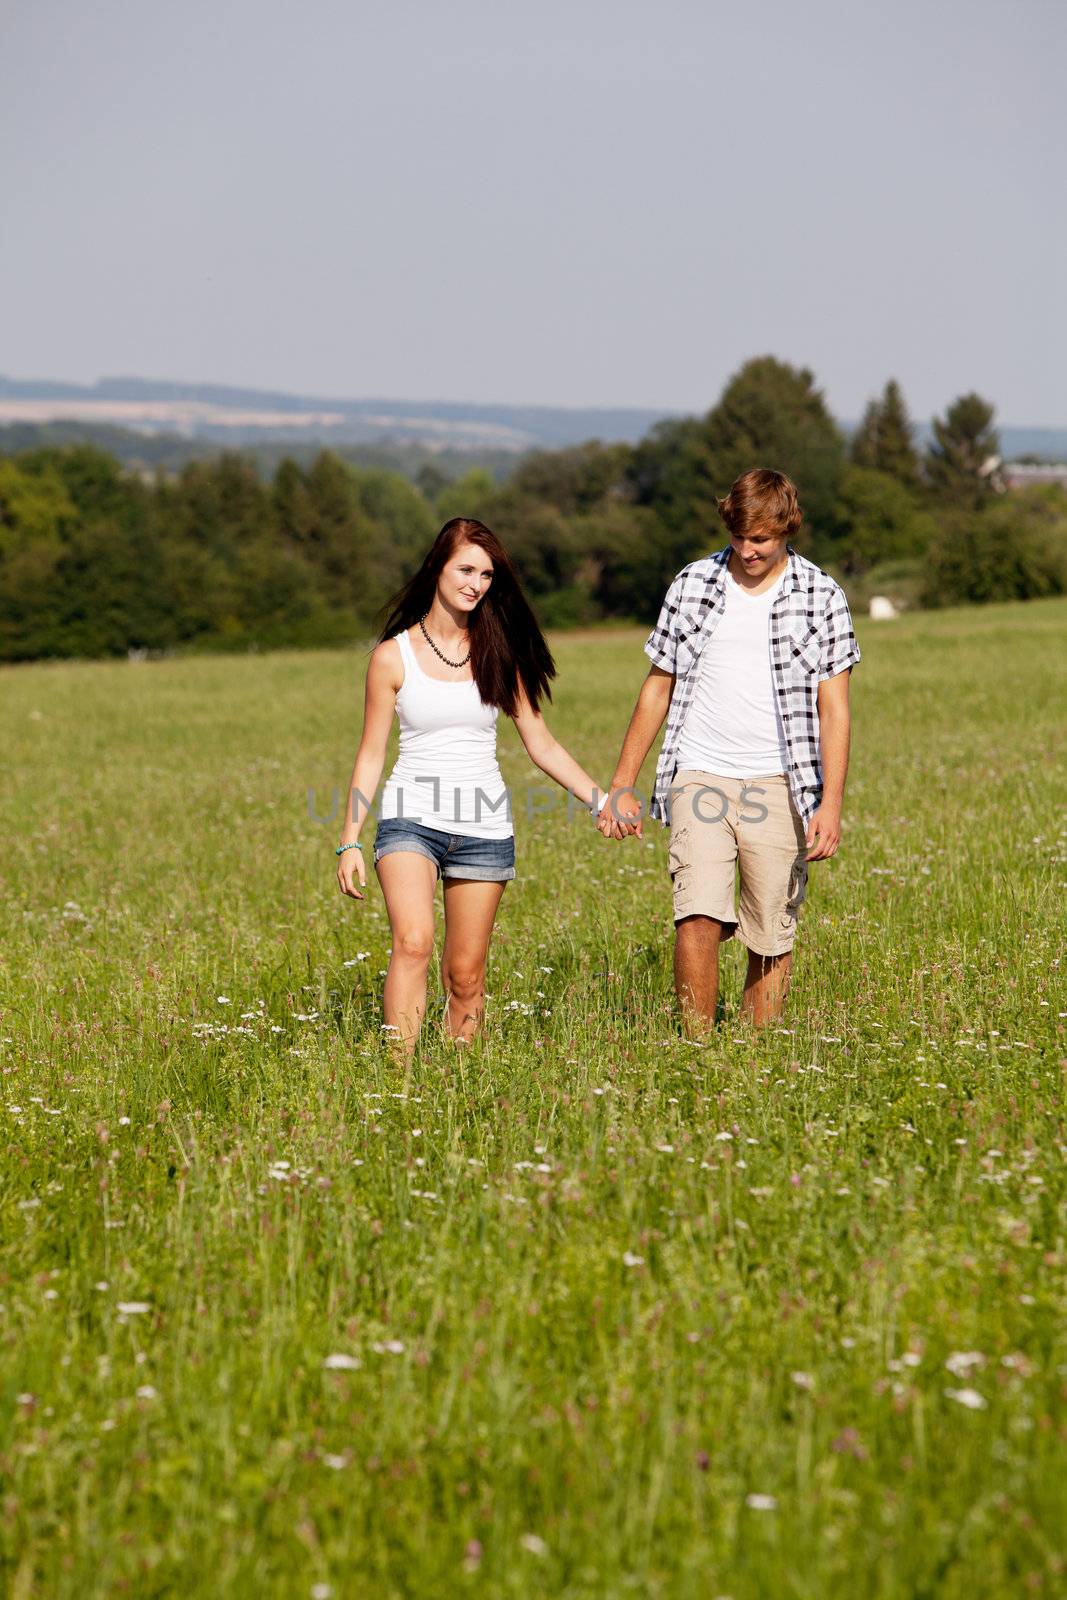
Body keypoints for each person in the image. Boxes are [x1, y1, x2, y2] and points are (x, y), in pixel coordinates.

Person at [599, 468, 860, 1031]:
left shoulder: (821, 596)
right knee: (696, 913)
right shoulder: (693, 583)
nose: (747, 550)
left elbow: (834, 708)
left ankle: (754, 1053)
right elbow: (657, 686)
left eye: (760, 540)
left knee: (769, 928)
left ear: (787, 529)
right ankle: (696, 1047)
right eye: (739, 537)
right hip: (699, 772)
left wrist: (830, 804)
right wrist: (623, 782)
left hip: (781, 782)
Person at [336, 517, 609, 1053]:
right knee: (413, 943)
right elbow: (371, 753)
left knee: (465, 977)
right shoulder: (392, 657)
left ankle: (461, 1084)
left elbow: (542, 744)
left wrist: (603, 800)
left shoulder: (499, 653)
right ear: (438, 564)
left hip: (484, 828)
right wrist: (349, 838)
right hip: (410, 818)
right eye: (466, 568)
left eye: (486, 574)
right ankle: (397, 1082)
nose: (476, 583)